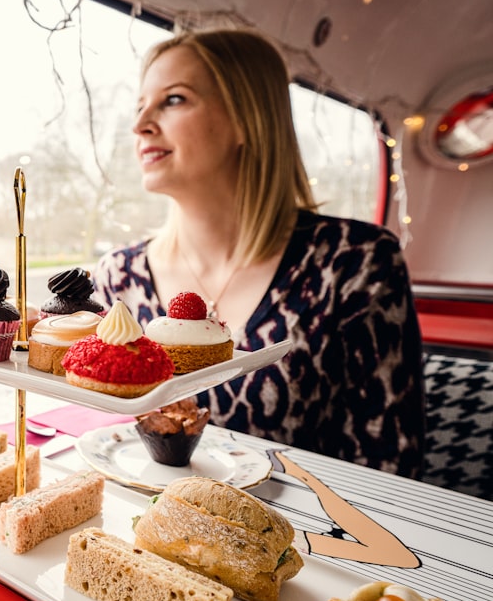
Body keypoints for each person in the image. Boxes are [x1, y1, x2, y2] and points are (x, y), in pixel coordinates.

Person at [92, 28, 425, 478]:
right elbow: (96, 434)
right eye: (139, 106)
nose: (140, 125)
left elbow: (388, 464)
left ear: (248, 118)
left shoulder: (354, 263)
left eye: (173, 100)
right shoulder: (118, 278)